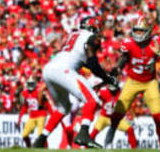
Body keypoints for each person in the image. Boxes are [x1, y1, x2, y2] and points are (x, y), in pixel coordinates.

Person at [33, 17, 117, 148]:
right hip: (63, 70)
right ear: (93, 28)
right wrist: (106, 78)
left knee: (63, 108)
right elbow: (92, 64)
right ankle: (83, 134)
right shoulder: (90, 37)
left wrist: (103, 77)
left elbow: (83, 61)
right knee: (92, 100)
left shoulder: (73, 34)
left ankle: (40, 140)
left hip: (49, 70)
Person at [105, 17, 160, 149]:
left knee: (158, 118)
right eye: (136, 31)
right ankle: (109, 138)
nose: (138, 34)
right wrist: (118, 68)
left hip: (150, 83)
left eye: (141, 31)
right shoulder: (129, 43)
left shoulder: (156, 42)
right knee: (117, 114)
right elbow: (123, 58)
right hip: (133, 81)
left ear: (148, 31)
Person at [89, 83, 137, 148]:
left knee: (130, 129)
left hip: (116, 118)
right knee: (94, 132)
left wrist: (129, 113)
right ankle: (87, 148)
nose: (113, 92)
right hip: (104, 117)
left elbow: (127, 103)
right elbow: (92, 95)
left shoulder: (121, 93)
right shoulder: (103, 92)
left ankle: (134, 149)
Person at [18, 78, 47, 148]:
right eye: (29, 84)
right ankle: (29, 148)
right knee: (24, 135)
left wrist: (51, 113)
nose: (30, 85)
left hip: (41, 115)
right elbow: (25, 107)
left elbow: (46, 104)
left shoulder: (38, 91)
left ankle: (45, 148)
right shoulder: (25, 93)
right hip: (32, 116)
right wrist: (19, 118)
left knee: (41, 135)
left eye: (32, 83)